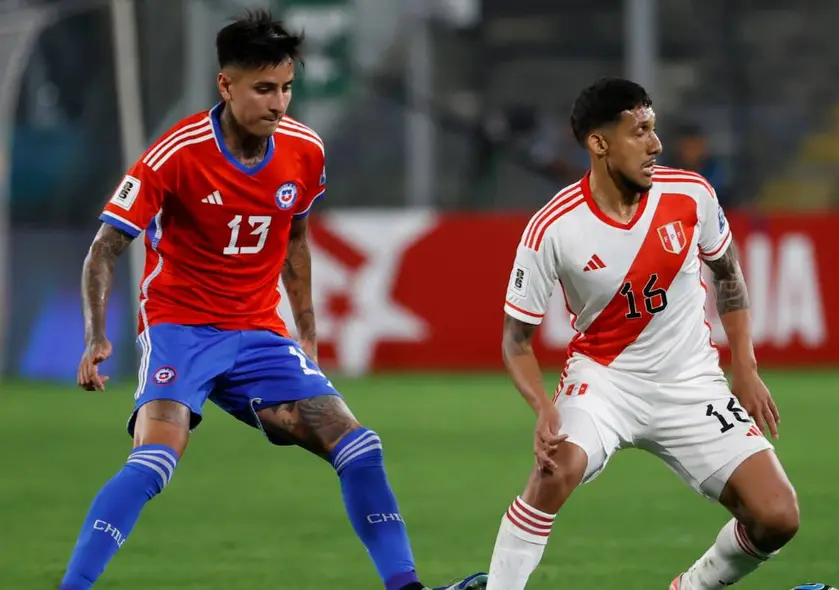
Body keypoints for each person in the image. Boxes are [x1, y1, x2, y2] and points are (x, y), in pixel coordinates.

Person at [60, 11, 486, 590]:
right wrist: (96, 334)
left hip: (259, 332)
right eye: (264, 89)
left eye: (286, 87)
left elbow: (296, 238)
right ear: (226, 85)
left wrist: (305, 333)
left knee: (359, 445)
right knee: (155, 461)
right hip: (181, 328)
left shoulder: (304, 150)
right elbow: (105, 248)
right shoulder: (175, 153)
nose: (279, 103)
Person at [487, 78, 799, 589]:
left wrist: (744, 365)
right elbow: (515, 340)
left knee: (778, 516)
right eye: (640, 131)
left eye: (654, 129)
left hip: (691, 382)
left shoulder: (691, 195)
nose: (656, 144)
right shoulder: (552, 228)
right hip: (605, 382)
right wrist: (544, 407)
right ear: (599, 143)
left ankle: (690, 587)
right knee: (554, 471)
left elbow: (728, 275)